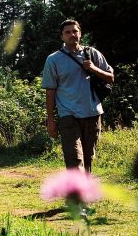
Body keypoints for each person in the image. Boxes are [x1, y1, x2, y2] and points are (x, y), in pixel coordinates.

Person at [42, 19, 113, 173]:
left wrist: (94, 69)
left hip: (93, 113)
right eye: (67, 32)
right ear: (62, 37)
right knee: (74, 159)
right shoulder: (53, 59)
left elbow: (111, 78)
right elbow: (50, 91)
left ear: (80, 34)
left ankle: (85, 191)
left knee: (88, 158)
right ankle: (77, 194)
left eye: (75, 31)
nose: (72, 34)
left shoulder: (92, 53)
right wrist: (51, 120)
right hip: (68, 115)